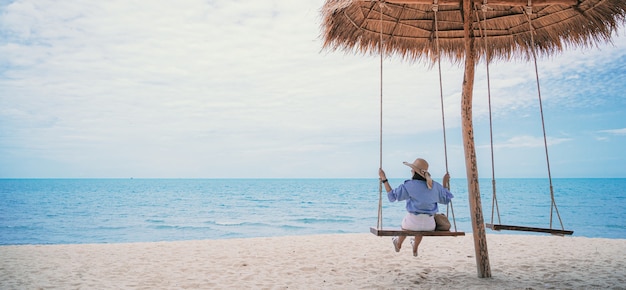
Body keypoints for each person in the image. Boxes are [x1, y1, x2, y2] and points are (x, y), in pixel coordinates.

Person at [378, 157, 453, 257]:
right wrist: (445, 183)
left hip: (411, 223)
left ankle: (398, 243)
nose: (411, 170)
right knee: (421, 223)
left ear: (414, 171)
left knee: (408, 224)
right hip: (430, 226)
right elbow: (446, 200)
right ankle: (415, 247)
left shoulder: (409, 185)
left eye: (412, 168)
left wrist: (384, 178)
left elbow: (392, 197)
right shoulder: (435, 186)